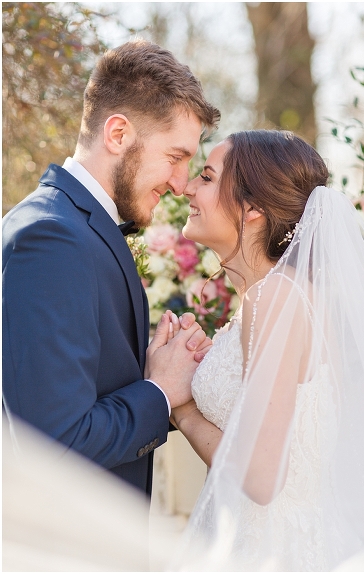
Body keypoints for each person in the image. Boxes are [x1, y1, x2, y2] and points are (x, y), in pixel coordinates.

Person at [2, 39, 220, 496]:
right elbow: (54, 444)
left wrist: (154, 369)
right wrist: (159, 392)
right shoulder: (50, 238)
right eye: (176, 157)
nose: (181, 184)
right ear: (118, 134)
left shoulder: (79, 229)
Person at [166, 130, 364, 570]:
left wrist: (182, 409)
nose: (188, 187)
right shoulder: (280, 297)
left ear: (253, 209)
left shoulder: (275, 298)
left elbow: (262, 478)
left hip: (270, 551)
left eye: (206, 177)